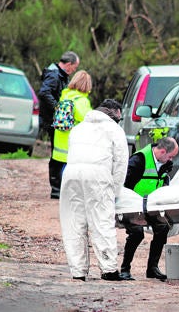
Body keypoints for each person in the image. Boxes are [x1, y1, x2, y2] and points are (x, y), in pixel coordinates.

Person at [59, 99, 128, 282]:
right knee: (102, 222)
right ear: (113, 113)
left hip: (71, 174)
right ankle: (109, 269)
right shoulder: (114, 130)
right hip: (98, 174)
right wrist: (115, 192)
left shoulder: (78, 128)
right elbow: (121, 164)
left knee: (73, 222)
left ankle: (78, 271)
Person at [120, 137, 179, 281]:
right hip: (132, 205)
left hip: (151, 205)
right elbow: (125, 186)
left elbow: (163, 185)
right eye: (170, 156)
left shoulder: (164, 162)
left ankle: (152, 268)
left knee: (163, 228)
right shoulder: (138, 160)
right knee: (137, 233)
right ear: (163, 151)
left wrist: (164, 178)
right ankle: (125, 269)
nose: (171, 160)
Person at [38, 51, 80, 199]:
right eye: (74, 67)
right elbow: (44, 93)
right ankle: (56, 188)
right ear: (68, 65)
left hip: (54, 121)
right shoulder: (54, 75)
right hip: (53, 121)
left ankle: (58, 186)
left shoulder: (57, 74)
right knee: (57, 155)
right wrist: (58, 108)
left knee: (57, 153)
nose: (73, 70)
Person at [51, 70, 93, 199]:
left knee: (61, 166)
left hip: (59, 137)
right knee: (70, 168)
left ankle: (57, 190)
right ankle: (67, 191)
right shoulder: (81, 101)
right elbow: (88, 118)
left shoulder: (65, 95)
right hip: (72, 139)